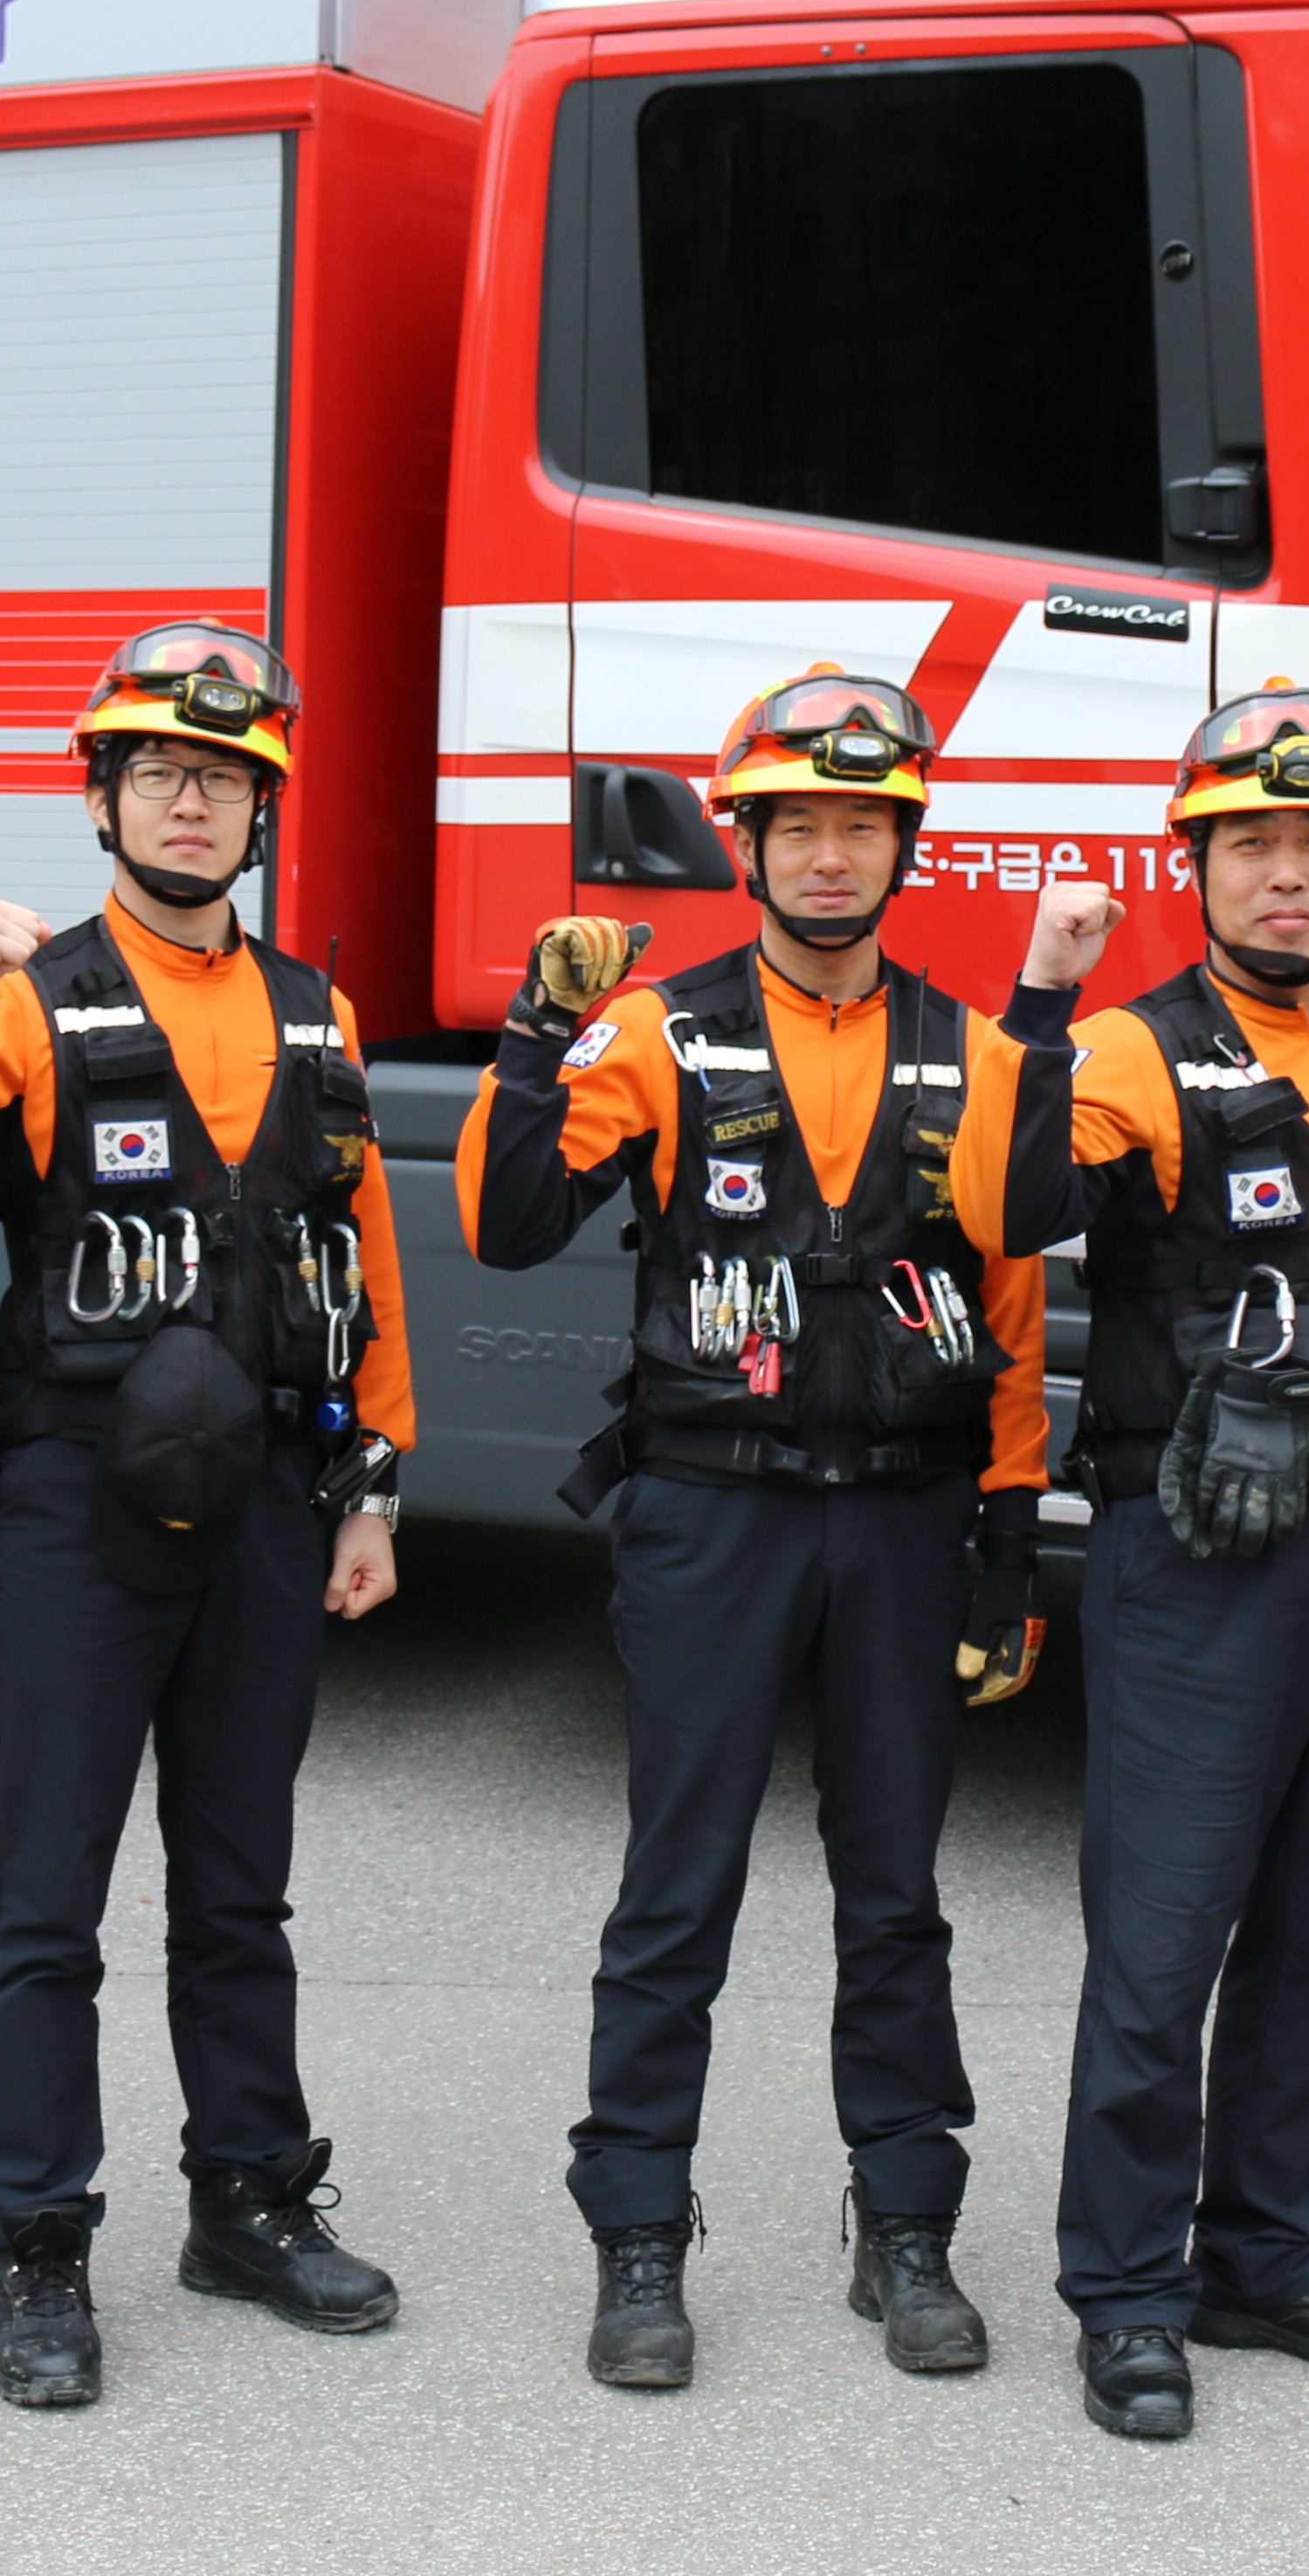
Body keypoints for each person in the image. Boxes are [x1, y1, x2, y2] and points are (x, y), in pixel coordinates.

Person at [457, 667, 1071, 2393]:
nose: (827, 856)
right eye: (796, 825)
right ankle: (638, 2236)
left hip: (905, 1524)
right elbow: (506, 1223)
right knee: (678, 1891)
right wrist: (535, 1035)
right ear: (747, 846)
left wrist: (1007, 1548)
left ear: (905, 849)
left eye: (860, 826)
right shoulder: (660, 1033)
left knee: (897, 1899)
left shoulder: (973, 1051)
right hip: (710, 1515)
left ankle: (909, 2229)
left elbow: (1010, 1316)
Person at [0, 620, 414, 2411]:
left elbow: (362, 1260)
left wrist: (373, 1486)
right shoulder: (32, 999)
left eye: (225, 780)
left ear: (261, 813)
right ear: (102, 800)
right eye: (159, 772)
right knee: (51, 1891)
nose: (190, 803)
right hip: (78, 1504)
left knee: (239, 1889)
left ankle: (249, 2200)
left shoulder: (314, 1010)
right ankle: (38, 2242)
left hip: (267, 1505)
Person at [988, 680, 1309, 2446]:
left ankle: (1266, 2256)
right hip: (1204, 1559)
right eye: (1252, 847)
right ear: (1195, 869)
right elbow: (1011, 1211)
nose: (1288, 876)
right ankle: (1129, 2293)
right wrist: (1042, 1004)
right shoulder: (1132, 1053)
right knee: (1163, 1938)